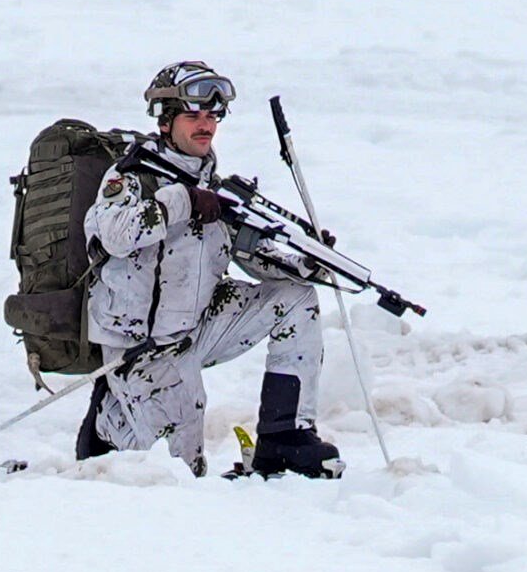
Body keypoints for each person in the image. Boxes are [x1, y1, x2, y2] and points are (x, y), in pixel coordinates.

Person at [76, 62, 340, 478]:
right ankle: (110, 426)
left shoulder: (212, 182)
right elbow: (116, 235)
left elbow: (250, 255)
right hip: (144, 351)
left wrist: (305, 262)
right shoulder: (132, 177)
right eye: (194, 115)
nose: (207, 125)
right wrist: (182, 199)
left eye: (212, 116)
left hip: (200, 323)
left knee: (295, 298)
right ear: (166, 122)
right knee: (180, 477)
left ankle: (284, 438)